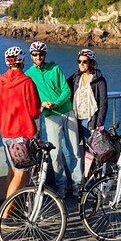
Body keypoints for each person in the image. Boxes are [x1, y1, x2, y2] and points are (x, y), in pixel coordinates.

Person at [0, 46, 42, 224]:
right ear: (22, 61)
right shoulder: (27, 82)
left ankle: (11, 210)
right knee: (21, 173)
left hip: (5, 132)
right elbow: (35, 111)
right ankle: (5, 216)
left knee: (12, 171)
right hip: (21, 134)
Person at [24, 41, 80, 198]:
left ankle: (77, 185)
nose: (38, 57)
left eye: (41, 54)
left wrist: (57, 103)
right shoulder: (28, 75)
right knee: (55, 153)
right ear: (31, 56)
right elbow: (31, 97)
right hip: (50, 115)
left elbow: (66, 90)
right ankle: (61, 186)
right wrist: (42, 105)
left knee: (74, 151)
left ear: (45, 55)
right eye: (35, 54)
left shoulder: (55, 68)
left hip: (67, 111)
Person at [67, 49, 108, 179]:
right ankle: (79, 180)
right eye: (79, 61)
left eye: (85, 62)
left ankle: (93, 180)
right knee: (72, 150)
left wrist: (99, 124)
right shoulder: (75, 78)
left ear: (91, 63)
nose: (81, 64)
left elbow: (103, 103)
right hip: (75, 118)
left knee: (91, 152)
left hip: (91, 120)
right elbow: (61, 88)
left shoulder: (99, 80)